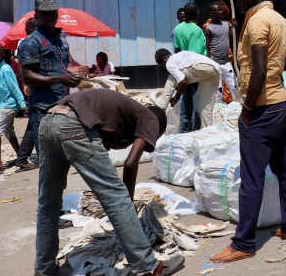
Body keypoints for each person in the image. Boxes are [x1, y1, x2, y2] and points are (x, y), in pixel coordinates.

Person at [210, 0, 286, 263]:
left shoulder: (257, 22)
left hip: (262, 107)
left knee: (252, 176)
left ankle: (243, 243)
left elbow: (257, 71)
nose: (238, 2)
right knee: (285, 167)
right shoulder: (279, 19)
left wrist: (246, 111)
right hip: (281, 103)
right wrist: (284, 64)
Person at [34, 89, 181, 276]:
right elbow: (130, 163)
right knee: (117, 197)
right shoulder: (151, 118)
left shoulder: (121, 116)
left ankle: (43, 270)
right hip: (74, 122)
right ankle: (148, 268)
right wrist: (127, 203)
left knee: (48, 203)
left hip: (49, 119)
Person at [18, 0, 83, 163]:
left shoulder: (62, 42)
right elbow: (28, 76)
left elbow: (60, 68)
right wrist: (61, 79)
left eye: (52, 13)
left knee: (64, 157)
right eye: (44, 13)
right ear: (36, 16)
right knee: (48, 159)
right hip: (42, 108)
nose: (49, 17)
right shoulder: (31, 42)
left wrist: (73, 77)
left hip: (62, 105)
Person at [154, 49, 222, 130]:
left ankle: (161, 107)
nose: (165, 67)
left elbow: (183, 81)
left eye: (162, 65)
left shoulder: (169, 63)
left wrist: (176, 98)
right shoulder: (181, 55)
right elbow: (190, 74)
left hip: (203, 68)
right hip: (215, 70)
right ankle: (207, 133)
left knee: (172, 78)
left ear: (164, 58)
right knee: (206, 108)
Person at [0, 45, 26, 171]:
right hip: (3, 105)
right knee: (8, 131)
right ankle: (21, 156)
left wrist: (23, 104)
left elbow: (15, 88)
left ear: (2, 57)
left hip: (9, 105)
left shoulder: (5, 69)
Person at [173, 2, 207, 133]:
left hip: (182, 69)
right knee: (198, 103)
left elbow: (177, 50)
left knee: (186, 105)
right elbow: (194, 54)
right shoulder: (196, 30)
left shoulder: (178, 28)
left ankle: (183, 132)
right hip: (194, 68)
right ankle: (199, 131)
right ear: (197, 13)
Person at [10, 17, 39, 170]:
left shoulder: (28, 42)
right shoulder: (27, 43)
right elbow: (24, 65)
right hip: (37, 85)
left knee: (34, 122)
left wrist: (25, 83)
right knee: (37, 121)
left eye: (28, 28)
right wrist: (25, 83)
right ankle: (34, 158)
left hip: (35, 84)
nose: (26, 31)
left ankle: (22, 157)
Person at [204, 2, 238, 103]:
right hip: (215, 63)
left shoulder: (227, 25)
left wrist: (235, 27)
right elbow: (208, 48)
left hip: (226, 63)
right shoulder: (208, 28)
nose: (220, 11)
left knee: (234, 86)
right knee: (217, 91)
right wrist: (209, 64)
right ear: (211, 13)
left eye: (221, 9)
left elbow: (234, 40)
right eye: (218, 10)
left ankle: (237, 107)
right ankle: (218, 111)